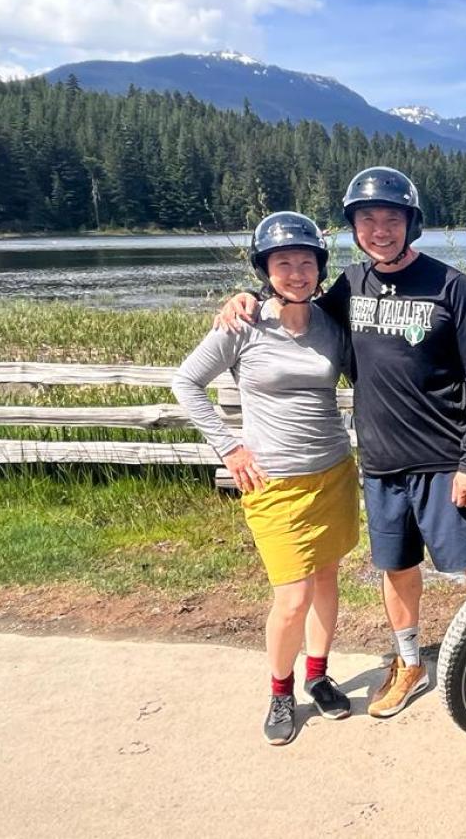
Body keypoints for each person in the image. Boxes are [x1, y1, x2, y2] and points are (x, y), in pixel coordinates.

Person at [217, 167, 466, 717]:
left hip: (446, 462)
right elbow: (293, 303)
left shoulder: (451, 286)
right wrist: (246, 296)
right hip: (380, 465)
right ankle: (408, 665)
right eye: (367, 220)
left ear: (411, 223)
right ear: (353, 228)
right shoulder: (349, 287)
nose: (379, 229)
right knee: (397, 570)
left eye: (391, 218)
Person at [174, 211, 359, 745]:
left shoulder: (330, 324)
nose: (297, 273)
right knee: (293, 595)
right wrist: (228, 445)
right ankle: (281, 693)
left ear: (320, 269)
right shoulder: (243, 324)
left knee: (327, 580)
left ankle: (318, 676)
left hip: (332, 474)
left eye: (306, 262)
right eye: (284, 264)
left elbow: (370, 370)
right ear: (266, 270)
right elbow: (186, 383)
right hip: (273, 482)